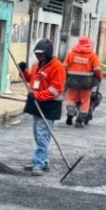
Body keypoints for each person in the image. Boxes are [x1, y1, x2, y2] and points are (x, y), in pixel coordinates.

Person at [18, 38, 65, 175]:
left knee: (42, 136)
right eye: (37, 54)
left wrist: (37, 96)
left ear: (48, 53)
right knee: (39, 135)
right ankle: (43, 162)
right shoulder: (38, 65)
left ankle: (38, 164)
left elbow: (55, 90)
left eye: (41, 54)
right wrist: (24, 72)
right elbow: (31, 79)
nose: (39, 56)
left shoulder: (57, 68)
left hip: (49, 106)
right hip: (37, 104)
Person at [63, 36, 103, 124]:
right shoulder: (92, 55)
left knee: (71, 98)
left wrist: (65, 77)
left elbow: (64, 67)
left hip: (72, 80)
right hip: (86, 82)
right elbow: (97, 70)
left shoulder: (72, 53)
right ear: (89, 44)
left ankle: (70, 113)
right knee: (85, 100)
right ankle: (80, 120)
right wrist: (99, 78)